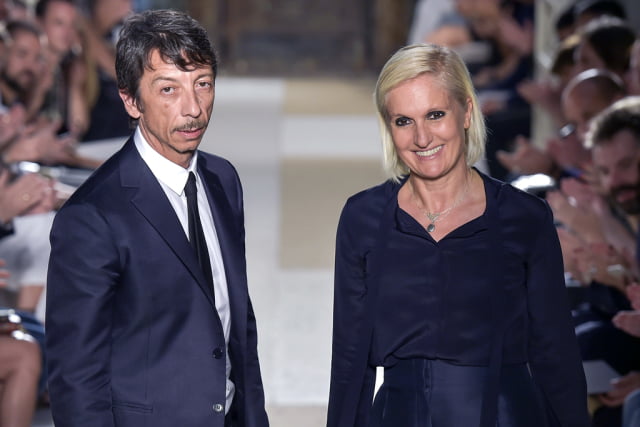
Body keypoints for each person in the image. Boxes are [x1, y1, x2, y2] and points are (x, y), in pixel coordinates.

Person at [327, 43, 589, 427]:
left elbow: (555, 354)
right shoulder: (363, 218)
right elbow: (350, 360)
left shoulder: (524, 218)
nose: (421, 137)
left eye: (435, 115)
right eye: (403, 121)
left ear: (466, 112)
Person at [46, 9, 269, 427]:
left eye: (203, 84)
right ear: (131, 100)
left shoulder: (223, 180)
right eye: (168, 90)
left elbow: (235, 321)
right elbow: (76, 377)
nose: (193, 108)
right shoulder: (92, 217)